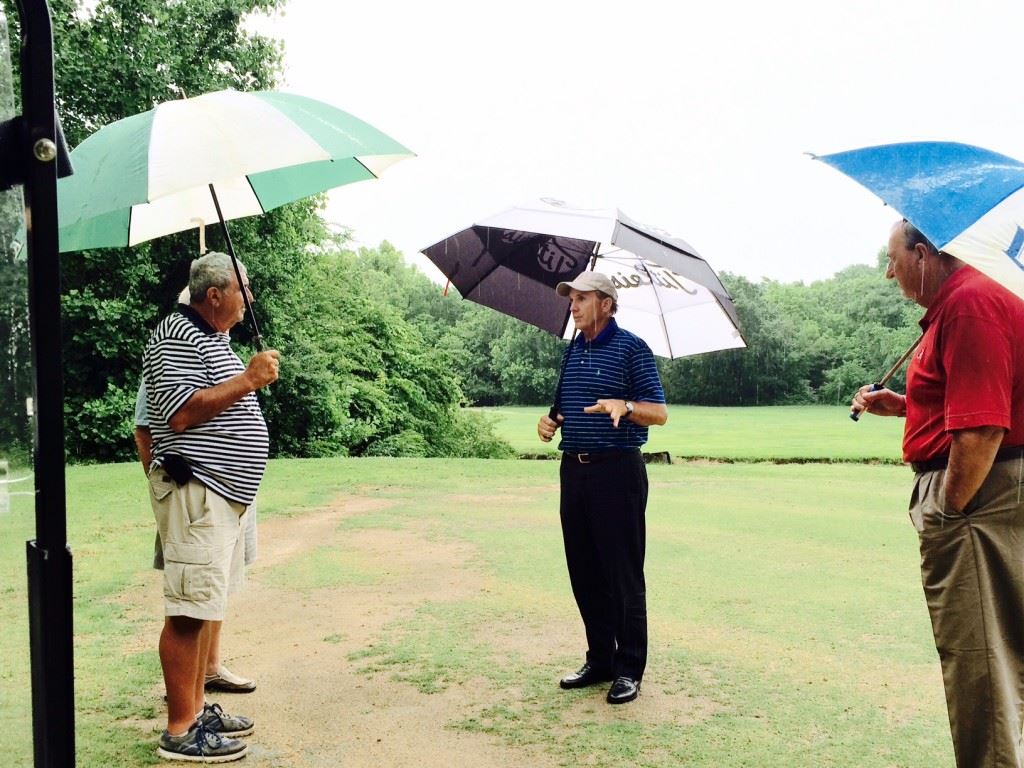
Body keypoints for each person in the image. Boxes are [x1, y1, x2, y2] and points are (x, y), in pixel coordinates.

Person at [852, 219, 1024, 768]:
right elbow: (968, 399)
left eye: (893, 257)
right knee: (1003, 656)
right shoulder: (963, 303)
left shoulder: (971, 302)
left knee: (982, 668)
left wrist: (950, 512)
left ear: (923, 255)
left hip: (978, 501)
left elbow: (982, 429)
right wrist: (903, 406)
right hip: (988, 494)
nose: (888, 270)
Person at [143, 251, 280, 762]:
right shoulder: (176, 335)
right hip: (195, 492)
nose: (250, 297)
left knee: (203, 607)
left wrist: (246, 379)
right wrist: (247, 381)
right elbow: (178, 414)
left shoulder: (209, 338)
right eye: (243, 288)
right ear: (215, 294)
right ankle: (181, 729)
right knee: (186, 611)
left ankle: (198, 709)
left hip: (217, 496)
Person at [536, 271, 667, 705]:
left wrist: (625, 406)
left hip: (617, 473)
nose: (572, 305)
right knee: (585, 571)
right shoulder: (573, 349)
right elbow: (564, 406)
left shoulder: (631, 348)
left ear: (607, 304)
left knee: (622, 575)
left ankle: (630, 668)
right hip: (574, 471)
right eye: (570, 299)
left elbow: (659, 412)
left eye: (582, 298)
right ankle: (601, 659)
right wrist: (551, 421)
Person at [135, 374, 258, 695]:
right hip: (193, 497)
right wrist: (161, 485)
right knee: (190, 596)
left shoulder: (217, 354)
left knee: (214, 586)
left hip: (230, 494)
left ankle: (210, 669)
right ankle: (186, 708)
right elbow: (144, 430)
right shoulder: (172, 360)